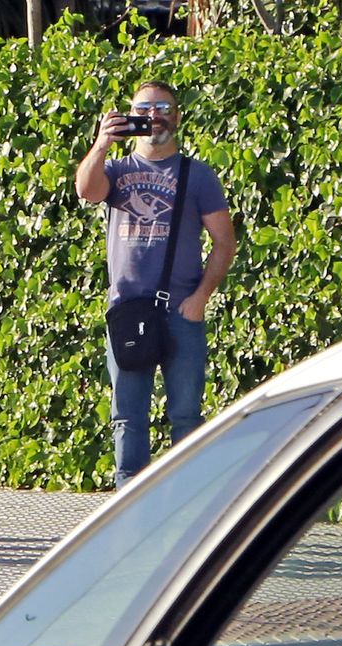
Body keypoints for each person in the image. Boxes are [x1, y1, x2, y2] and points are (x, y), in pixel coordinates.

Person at [75, 80, 236, 488]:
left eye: (163, 107)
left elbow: (224, 242)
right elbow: (86, 191)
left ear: (177, 116)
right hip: (128, 310)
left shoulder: (197, 175)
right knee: (128, 414)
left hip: (181, 310)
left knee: (185, 414)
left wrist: (201, 298)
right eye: (144, 109)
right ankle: (130, 501)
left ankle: (187, 498)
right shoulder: (116, 169)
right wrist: (101, 145)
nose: (153, 116)